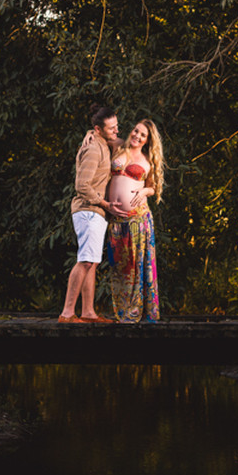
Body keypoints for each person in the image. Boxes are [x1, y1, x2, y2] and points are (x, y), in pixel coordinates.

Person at [59, 104, 123, 323]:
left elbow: (122, 142)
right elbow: (82, 185)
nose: (116, 131)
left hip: (95, 213)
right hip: (88, 211)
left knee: (92, 261)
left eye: (117, 126)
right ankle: (67, 313)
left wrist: (90, 132)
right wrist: (105, 203)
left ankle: (88, 312)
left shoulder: (102, 142)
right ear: (98, 129)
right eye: (111, 128)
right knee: (85, 261)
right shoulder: (94, 149)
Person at [105, 118, 164, 323]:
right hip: (117, 220)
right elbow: (98, 134)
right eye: (136, 131)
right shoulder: (118, 146)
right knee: (119, 266)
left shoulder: (148, 159)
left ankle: (136, 312)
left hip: (139, 220)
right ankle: (122, 311)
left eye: (143, 135)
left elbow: (154, 186)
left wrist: (145, 190)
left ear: (147, 141)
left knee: (137, 267)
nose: (137, 136)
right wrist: (88, 135)